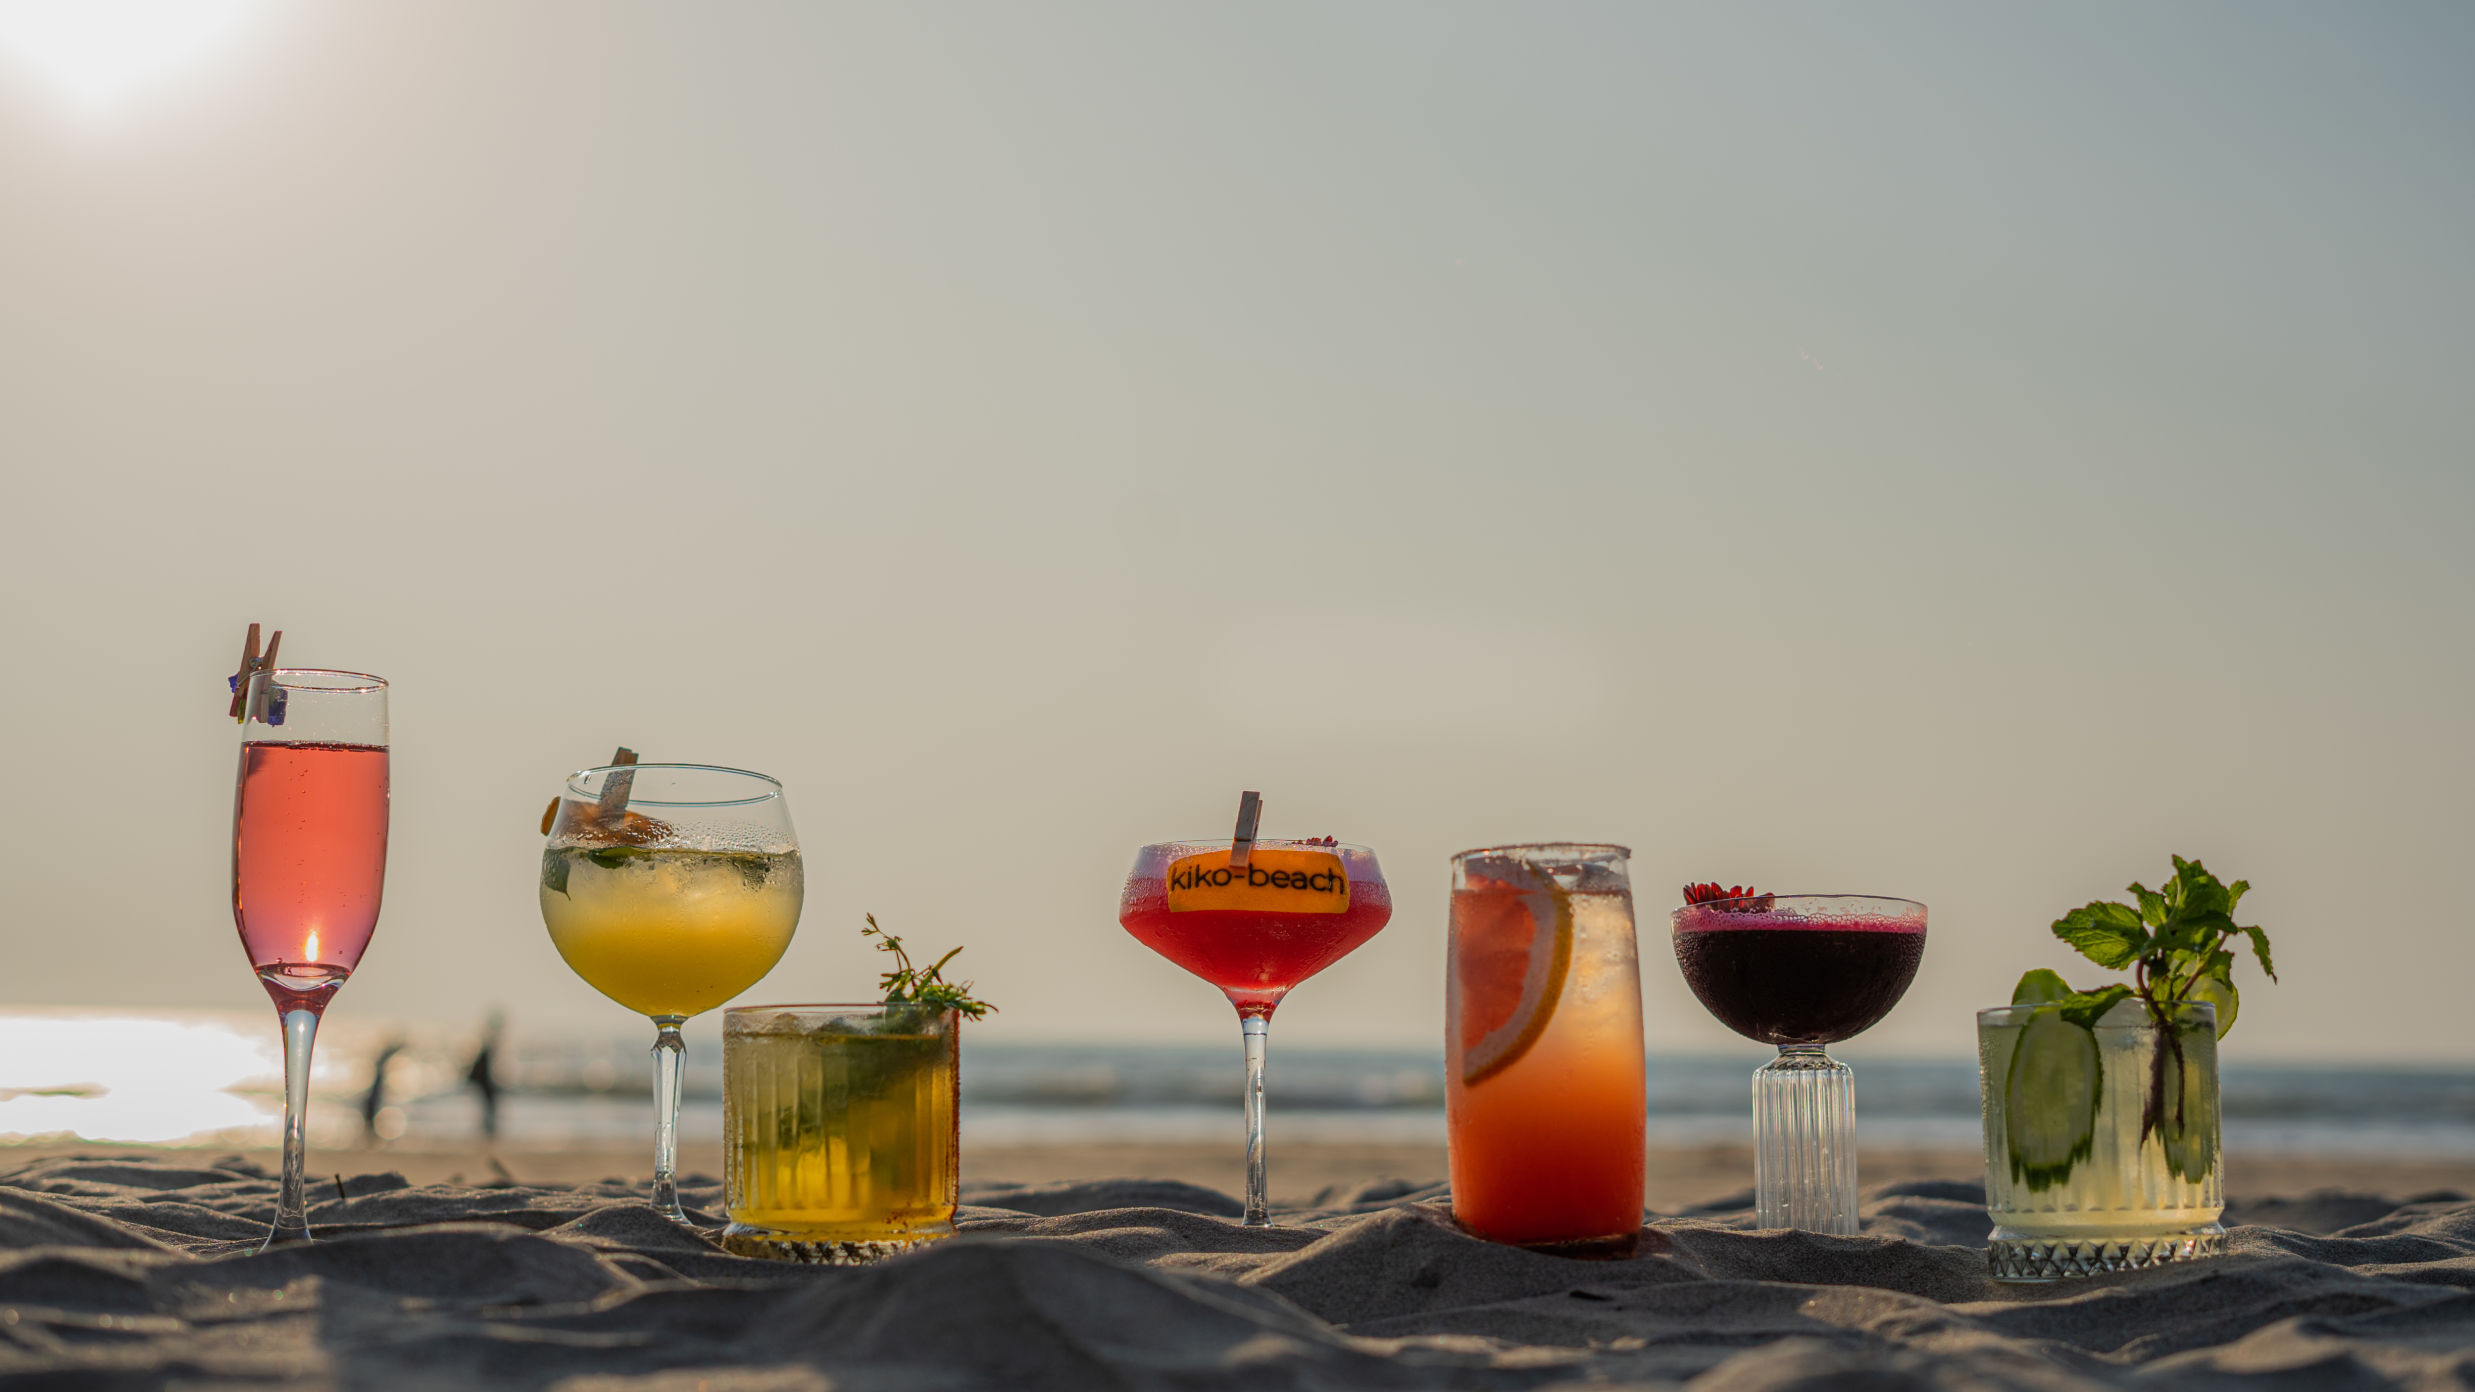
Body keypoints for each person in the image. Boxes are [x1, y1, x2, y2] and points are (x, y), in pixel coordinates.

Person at [467, 1010, 505, 1141]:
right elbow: (484, 1070)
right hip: (485, 1082)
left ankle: (488, 1128)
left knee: (488, 1107)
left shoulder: (485, 1050)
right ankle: (488, 1129)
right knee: (489, 1107)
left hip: (485, 1082)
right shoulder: (486, 1051)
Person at [360, 1039, 406, 1143]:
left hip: (373, 1094)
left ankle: (370, 1136)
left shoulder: (379, 1065)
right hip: (373, 1095)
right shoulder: (380, 1066)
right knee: (370, 1115)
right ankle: (370, 1136)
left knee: (371, 1116)